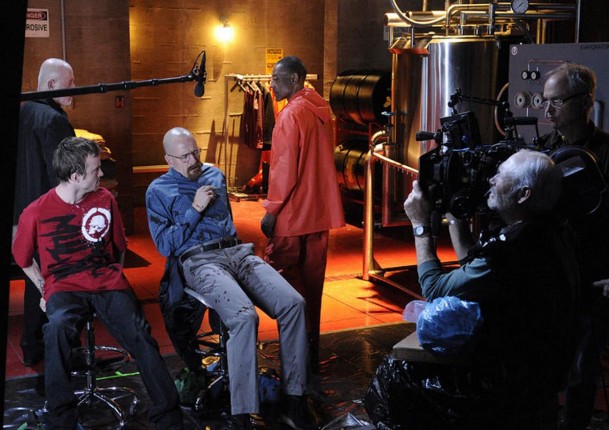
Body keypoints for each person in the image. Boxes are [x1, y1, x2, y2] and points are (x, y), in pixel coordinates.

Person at [368, 150, 578, 429]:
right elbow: (475, 265)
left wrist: (419, 225)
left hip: (510, 378)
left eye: (500, 175)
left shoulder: (512, 249)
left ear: (523, 194)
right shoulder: (544, 230)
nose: (491, 180)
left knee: (396, 376)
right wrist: (454, 215)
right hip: (543, 367)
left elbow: (436, 291)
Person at [145, 126, 315, 430]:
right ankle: (243, 413)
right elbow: (165, 246)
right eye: (184, 157)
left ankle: (295, 398)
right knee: (243, 317)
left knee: (294, 304)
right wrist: (194, 209)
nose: (193, 160)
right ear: (169, 159)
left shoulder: (215, 175)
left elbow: (226, 223)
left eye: (195, 152)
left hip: (237, 252)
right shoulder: (159, 190)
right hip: (199, 260)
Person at [12, 137, 184, 430]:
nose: (101, 174)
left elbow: (119, 246)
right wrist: (43, 288)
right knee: (56, 331)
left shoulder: (105, 199)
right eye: (96, 169)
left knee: (140, 335)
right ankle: (61, 420)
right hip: (64, 286)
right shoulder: (36, 211)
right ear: (76, 176)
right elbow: (22, 257)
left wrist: (113, 276)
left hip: (106, 282)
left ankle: (169, 419)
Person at [261, 56, 345, 374]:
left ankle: (293, 356)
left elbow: (284, 171)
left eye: (276, 78)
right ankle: (309, 353)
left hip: (293, 214)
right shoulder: (321, 110)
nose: (271, 84)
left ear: (294, 79)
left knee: (284, 287)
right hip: (319, 213)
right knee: (312, 287)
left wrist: (272, 210)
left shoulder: (290, 115)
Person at [539, 63, 609, 430]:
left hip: (591, 279)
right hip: (550, 278)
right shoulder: (543, 151)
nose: (547, 110)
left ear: (584, 102)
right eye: (544, 101)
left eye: (556, 101)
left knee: (582, 370)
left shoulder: (606, 153)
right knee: (543, 364)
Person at [12, 58, 76, 367]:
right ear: (51, 85)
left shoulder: (25, 111)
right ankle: (58, 348)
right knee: (57, 281)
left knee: (35, 279)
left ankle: (32, 346)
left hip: (25, 213)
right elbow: (62, 174)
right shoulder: (53, 119)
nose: (75, 89)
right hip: (51, 216)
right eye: (70, 83)